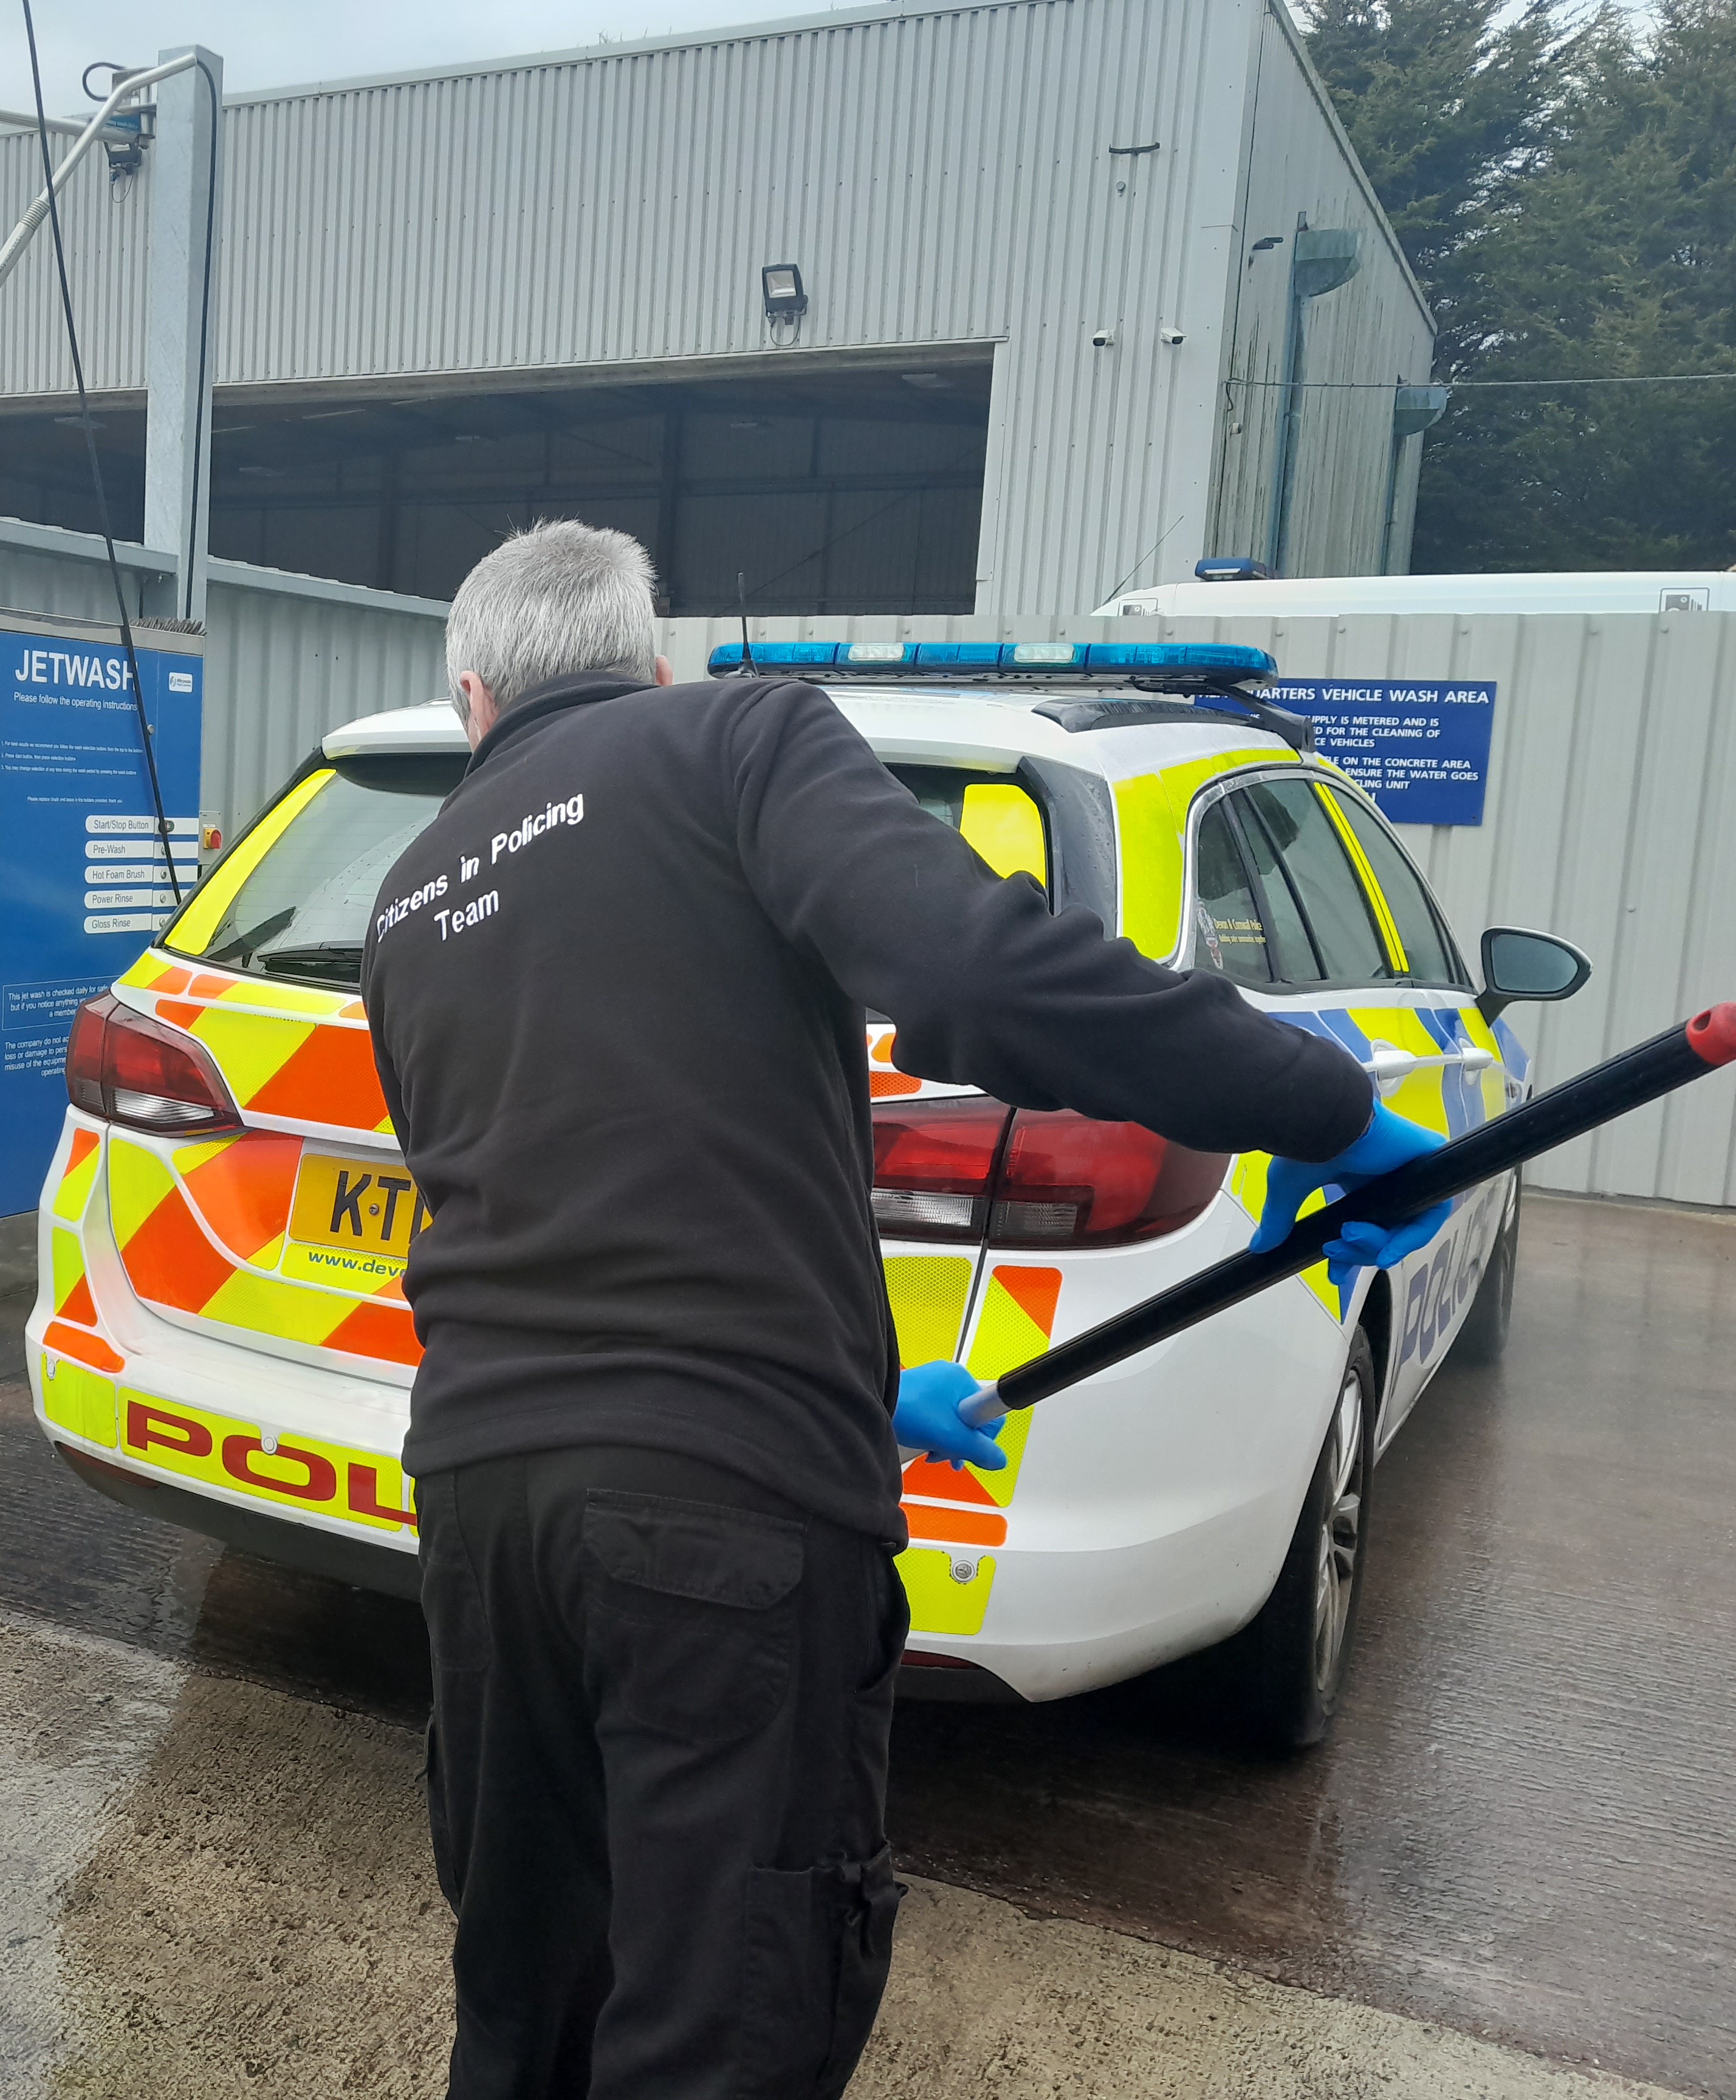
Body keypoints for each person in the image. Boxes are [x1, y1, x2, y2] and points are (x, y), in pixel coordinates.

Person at [360, 520, 1444, 2100]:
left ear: (473, 699)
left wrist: (863, 1395)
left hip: (477, 1512)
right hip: (729, 1512)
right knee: (725, 2020)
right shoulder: (734, 740)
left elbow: (562, 1199)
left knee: (525, 2004)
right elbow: (977, 975)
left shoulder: (405, 897)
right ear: (651, 664)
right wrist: (1320, 1108)